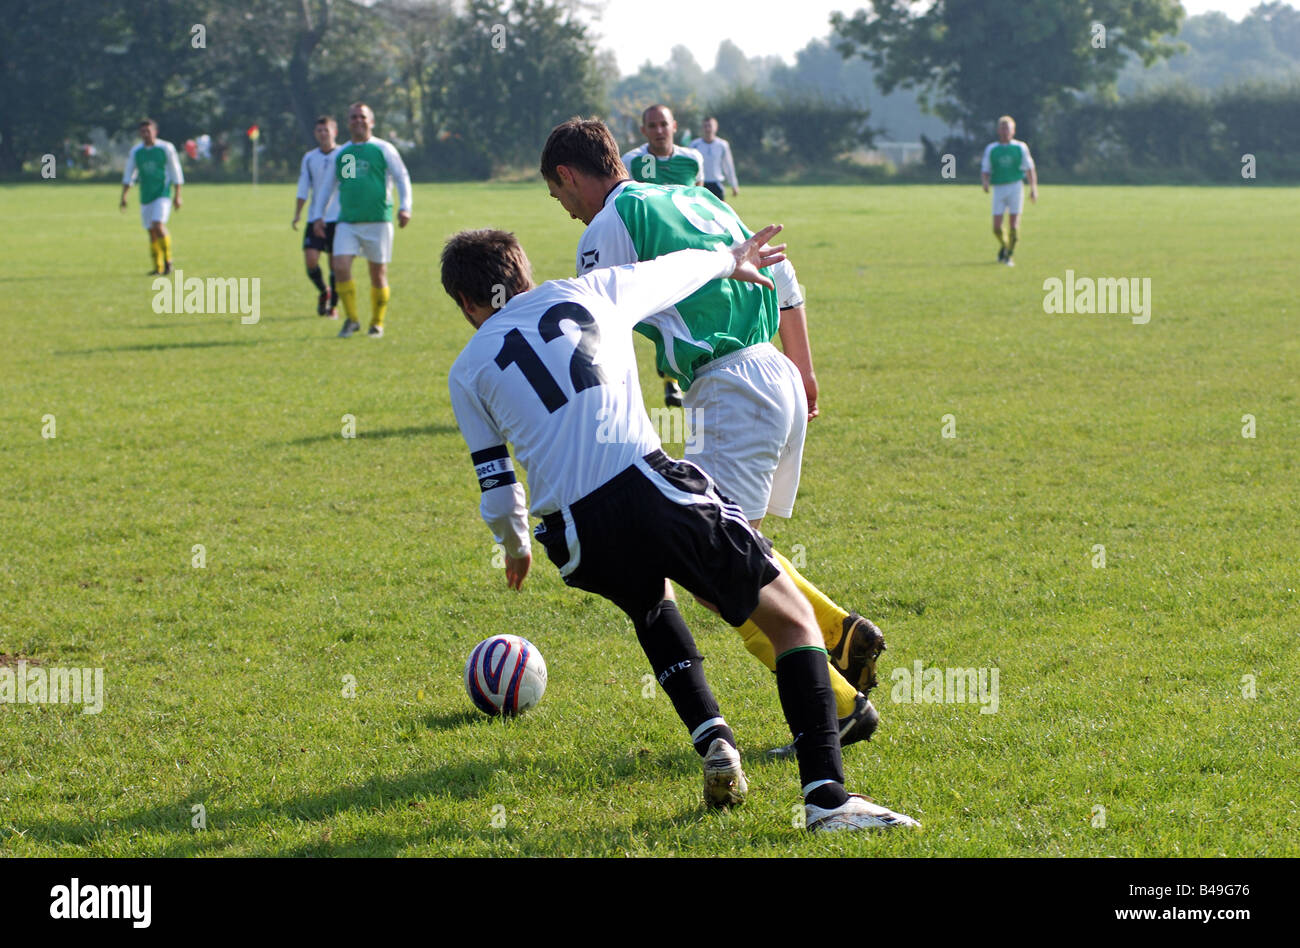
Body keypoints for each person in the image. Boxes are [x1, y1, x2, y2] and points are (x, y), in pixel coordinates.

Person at [441, 224, 918, 832]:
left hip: (573, 533)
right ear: (523, 272)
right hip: (645, 484)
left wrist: (513, 549)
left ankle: (714, 736)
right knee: (792, 618)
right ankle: (827, 800)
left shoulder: (466, 370)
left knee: (650, 604)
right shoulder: (593, 291)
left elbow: (498, 487)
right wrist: (731, 258)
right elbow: (674, 271)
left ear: (468, 304)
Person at [540, 118, 886, 758]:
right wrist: (803, 367)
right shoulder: (701, 196)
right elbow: (782, 276)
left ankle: (837, 689)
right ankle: (837, 641)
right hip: (770, 372)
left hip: (730, 387)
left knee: (709, 567)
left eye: (560, 197)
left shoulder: (608, 227)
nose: (566, 211)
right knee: (731, 550)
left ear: (567, 175)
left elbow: (594, 324)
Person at [621, 104, 705, 406]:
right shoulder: (632, 161)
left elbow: (699, 199)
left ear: (674, 127)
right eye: (652, 126)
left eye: (663, 125)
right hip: (650, 255)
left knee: (691, 316)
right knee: (660, 318)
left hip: (689, 253)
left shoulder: (692, 160)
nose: (658, 131)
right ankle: (672, 380)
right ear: (643, 130)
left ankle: (687, 378)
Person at [315, 102, 412, 338]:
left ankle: (377, 323)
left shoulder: (383, 149)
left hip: (378, 220)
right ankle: (352, 320)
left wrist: (405, 207)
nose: (358, 120)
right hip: (347, 221)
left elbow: (401, 177)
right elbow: (332, 185)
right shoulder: (345, 153)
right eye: (353, 117)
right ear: (347, 122)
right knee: (339, 267)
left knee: (377, 273)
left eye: (362, 117)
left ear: (372, 121)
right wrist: (319, 214)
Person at [119, 119, 184, 275]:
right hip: (146, 195)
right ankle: (158, 266)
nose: (146, 134)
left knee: (158, 224)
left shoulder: (165, 148)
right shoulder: (136, 152)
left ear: (155, 132)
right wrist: (124, 196)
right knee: (151, 230)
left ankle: (168, 261)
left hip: (163, 193)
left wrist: (178, 196)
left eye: (148, 131)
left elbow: (176, 171)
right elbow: (129, 174)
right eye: (143, 131)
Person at [293, 116, 342, 318]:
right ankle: (324, 291)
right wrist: (297, 214)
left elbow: (349, 185)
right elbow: (303, 187)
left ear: (335, 132)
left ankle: (333, 307)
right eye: (319, 130)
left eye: (326, 130)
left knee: (336, 265)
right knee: (311, 260)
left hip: (338, 218)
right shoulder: (309, 158)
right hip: (316, 218)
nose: (323, 134)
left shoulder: (344, 155)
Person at [980, 115, 1038, 266]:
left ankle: (1008, 256)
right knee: (996, 227)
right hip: (999, 188)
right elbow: (985, 169)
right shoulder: (992, 149)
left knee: (1013, 225)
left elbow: (1029, 168)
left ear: (1013, 131)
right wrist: (985, 182)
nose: (1005, 132)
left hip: (1015, 187)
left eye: (1008, 129)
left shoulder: (1020, 147)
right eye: (1003, 128)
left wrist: (1033, 188)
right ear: (998, 130)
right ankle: (1005, 246)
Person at [690, 116, 739, 201]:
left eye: (710, 126)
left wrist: (734, 185)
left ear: (716, 128)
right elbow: (690, 166)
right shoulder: (694, 145)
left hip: (717, 184)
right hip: (700, 184)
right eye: (705, 126)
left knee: (719, 212)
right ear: (702, 128)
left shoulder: (722, 145)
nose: (708, 129)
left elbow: (728, 166)